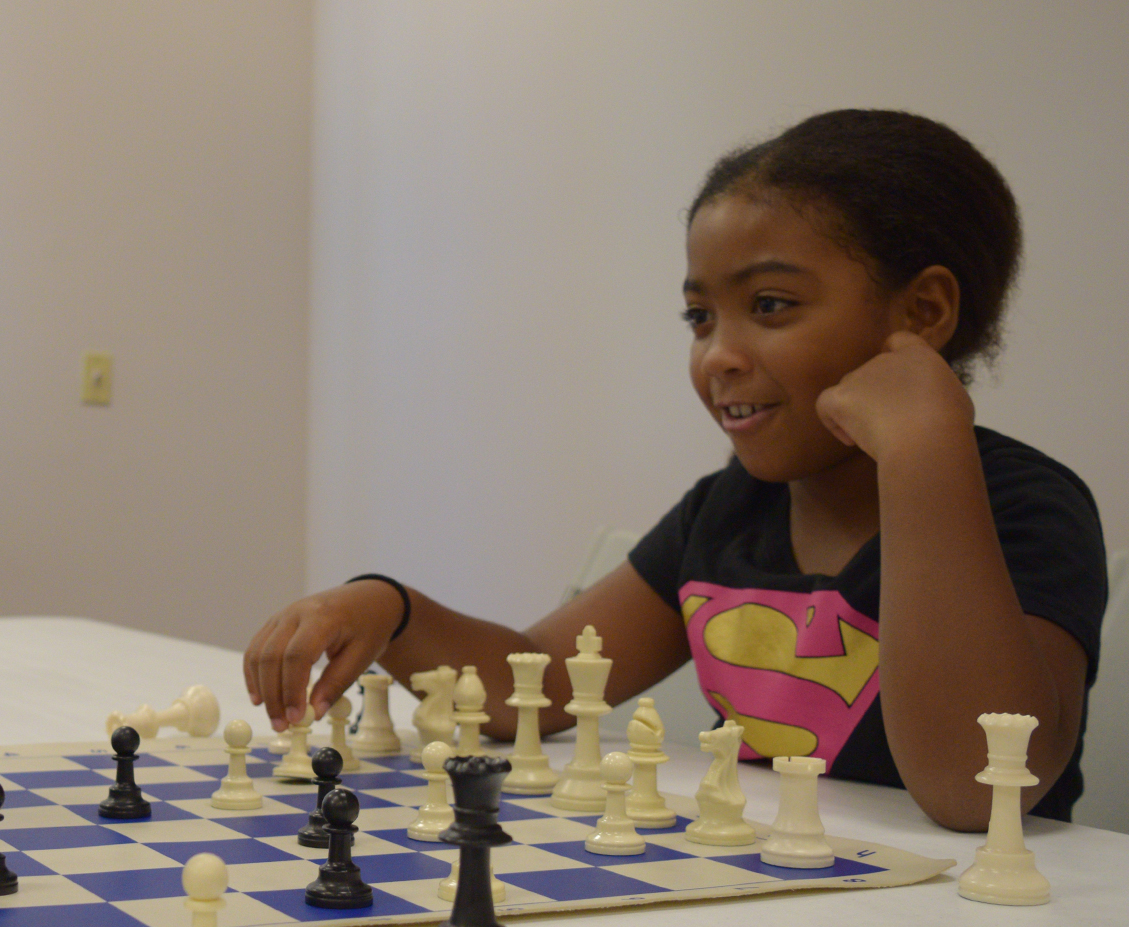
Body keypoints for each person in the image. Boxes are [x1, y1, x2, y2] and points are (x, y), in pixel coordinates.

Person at [244, 109, 1106, 832]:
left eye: (770, 307)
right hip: (794, 906)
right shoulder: (729, 512)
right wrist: (390, 608)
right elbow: (539, 690)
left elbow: (973, 789)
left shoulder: (1026, 507)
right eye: (700, 316)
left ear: (921, 314)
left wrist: (921, 451)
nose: (719, 356)